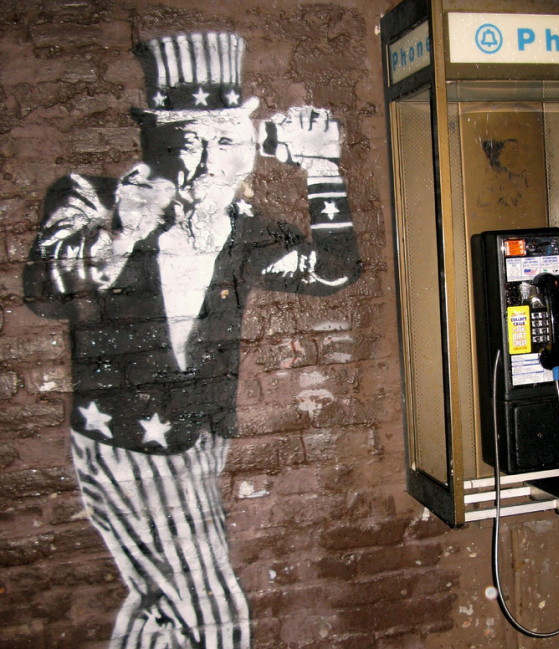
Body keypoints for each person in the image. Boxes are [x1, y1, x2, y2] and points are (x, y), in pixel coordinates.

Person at [23, 32, 360, 649]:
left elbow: (333, 271)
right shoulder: (92, 197)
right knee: (215, 618)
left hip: (201, 439)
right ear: (152, 142)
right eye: (185, 140)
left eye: (225, 140)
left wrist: (322, 168)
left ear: (249, 151)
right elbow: (46, 288)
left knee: (163, 609)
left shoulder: (244, 231)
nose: (204, 162)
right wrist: (123, 231)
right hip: (126, 443)